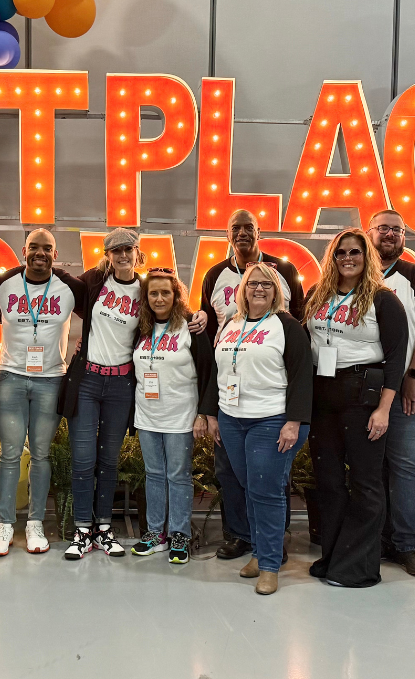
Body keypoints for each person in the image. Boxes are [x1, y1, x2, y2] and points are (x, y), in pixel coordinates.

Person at [61, 230, 207, 560]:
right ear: (107, 255)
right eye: (115, 250)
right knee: (84, 460)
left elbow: (168, 306)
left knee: (109, 460)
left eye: (127, 249)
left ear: (137, 252)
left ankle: (104, 528)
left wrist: (201, 314)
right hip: (88, 380)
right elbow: (63, 286)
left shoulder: (143, 290)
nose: (122, 255)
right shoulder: (96, 280)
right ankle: (83, 530)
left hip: (121, 386)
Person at [200, 209, 305, 561]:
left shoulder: (284, 272)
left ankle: (273, 544)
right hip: (231, 408)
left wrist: (295, 418)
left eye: (249, 228)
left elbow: (299, 341)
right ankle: (241, 536)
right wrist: (210, 410)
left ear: (260, 232)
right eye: (235, 228)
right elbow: (211, 345)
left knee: (270, 480)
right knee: (231, 475)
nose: (242, 233)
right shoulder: (216, 277)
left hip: (269, 410)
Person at [304, 228, 407, 588]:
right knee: (329, 481)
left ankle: (359, 567)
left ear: (367, 257)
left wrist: (384, 409)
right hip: (323, 394)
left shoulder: (383, 299)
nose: (348, 258)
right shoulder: (316, 295)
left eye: (356, 252)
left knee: (366, 483)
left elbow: (396, 359)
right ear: (332, 257)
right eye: (341, 252)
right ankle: (332, 557)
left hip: (364, 395)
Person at [209, 263, 314, 595]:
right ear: (242, 288)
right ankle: (258, 552)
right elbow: (218, 371)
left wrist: (294, 423)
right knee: (247, 487)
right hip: (231, 418)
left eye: (267, 284)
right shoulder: (231, 322)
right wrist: (211, 415)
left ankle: (269, 565)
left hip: (272, 420)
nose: (259, 289)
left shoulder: (287, 326)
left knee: (266, 491)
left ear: (276, 291)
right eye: (253, 283)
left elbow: (302, 376)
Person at [0, 229, 86, 557]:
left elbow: (103, 315)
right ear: (23, 250)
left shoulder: (70, 288)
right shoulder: (3, 285)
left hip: (50, 380)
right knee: (10, 453)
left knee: (41, 455)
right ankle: (4, 524)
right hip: (11, 377)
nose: (40, 253)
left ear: (55, 254)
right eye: (34, 248)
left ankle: (35, 524)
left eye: (47, 248)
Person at [367, 210, 415, 577]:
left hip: (405, 387)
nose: (390, 234)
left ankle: (408, 544)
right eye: (383, 228)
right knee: (368, 467)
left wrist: (414, 373)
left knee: (406, 467)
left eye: (397, 230)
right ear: (369, 233)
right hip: (360, 388)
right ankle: (374, 540)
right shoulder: (349, 276)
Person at [129, 268, 217, 565]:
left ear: (176, 295)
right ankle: (156, 533)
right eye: (153, 293)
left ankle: (179, 534)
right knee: (154, 475)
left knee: (178, 476)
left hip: (181, 415)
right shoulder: (139, 328)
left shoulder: (191, 327)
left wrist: (203, 414)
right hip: (147, 415)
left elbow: (208, 371)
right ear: (146, 297)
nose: (159, 298)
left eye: (166, 292)